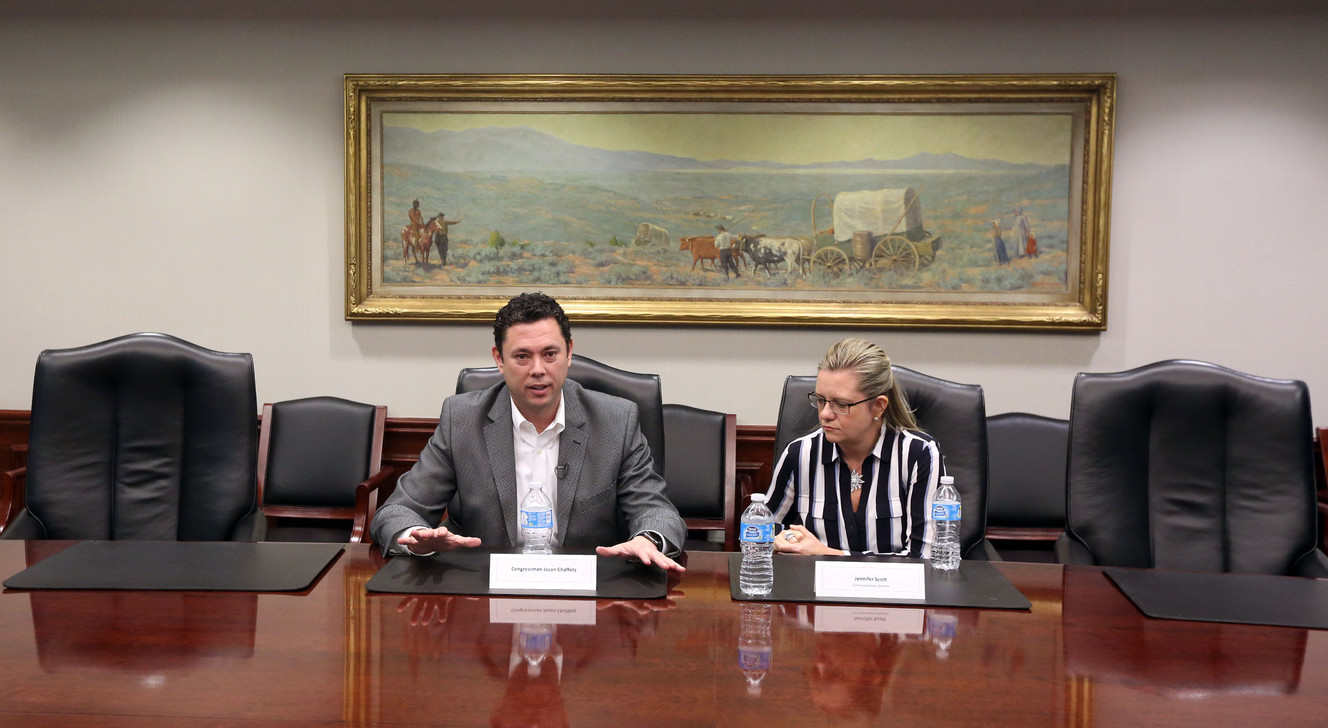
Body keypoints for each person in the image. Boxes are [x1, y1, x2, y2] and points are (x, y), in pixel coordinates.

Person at [370, 292, 686, 572]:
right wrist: (414, 538)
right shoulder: (462, 420)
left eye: (550, 354)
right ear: (499, 359)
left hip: (590, 590)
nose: (538, 369)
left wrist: (648, 539)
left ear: (569, 353)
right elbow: (397, 511)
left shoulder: (616, 420)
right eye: (522, 356)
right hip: (484, 587)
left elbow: (657, 511)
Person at [766, 338, 944, 557]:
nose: (825, 414)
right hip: (814, 589)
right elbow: (761, 529)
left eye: (841, 404)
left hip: (895, 591)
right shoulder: (800, 453)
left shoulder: (919, 455)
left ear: (878, 406)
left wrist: (830, 554)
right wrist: (780, 541)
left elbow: (925, 559)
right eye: (821, 400)